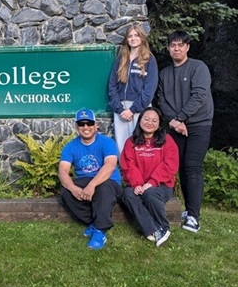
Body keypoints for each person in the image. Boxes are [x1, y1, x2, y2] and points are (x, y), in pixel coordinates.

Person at [157, 30, 213, 233]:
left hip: (199, 125)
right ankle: (186, 210)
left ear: (187, 47)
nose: (177, 48)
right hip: (175, 127)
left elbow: (199, 96)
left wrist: (180, 118)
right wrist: (174, 121)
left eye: (181, 45)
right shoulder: (164, 73)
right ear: (169, 48)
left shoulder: (198, 67)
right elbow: (161, 100)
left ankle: (193, 217)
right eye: (173, 45)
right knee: (177, 168)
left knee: (192, 167)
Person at [58, 108, 122, 250]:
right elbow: (63, 171)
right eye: (82, 124)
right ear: (76, 127)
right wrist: (72, 187)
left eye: (89, 123)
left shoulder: (107, 142)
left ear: (96, 125)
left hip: (109, 181)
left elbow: (110, 166)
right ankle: (93, 222)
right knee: (65, 192)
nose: (86, 127)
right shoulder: (70, 147)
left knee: (103, 188)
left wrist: (92, 185)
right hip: (84, 180)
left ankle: (100, 231)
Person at [120, 107, 179, 247]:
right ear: (140, 120)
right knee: (127, 194)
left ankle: (163, 227)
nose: (150, 122)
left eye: (154, 120)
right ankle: (151, 229)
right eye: (146, 119)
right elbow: (129, 165)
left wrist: (151, 182)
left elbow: (170, 165)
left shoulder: (167, 140)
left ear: (159, 124)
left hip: (161, 185)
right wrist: (137, 184)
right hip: (139, 185)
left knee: (150, 193)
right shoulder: (131, 142)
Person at [108, 25, 158, 154]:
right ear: (126, 40)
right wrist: (120, 109)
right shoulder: (120, 60)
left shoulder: (149, 60)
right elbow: (112, 86)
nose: (133, 38)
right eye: (130, 36)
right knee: (123, 147)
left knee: (140, 145)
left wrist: (132, 110)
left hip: (140, 109)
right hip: (121, 109)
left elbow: (149, 90)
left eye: (136, 35)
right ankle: (125, 173)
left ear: (142, 38)